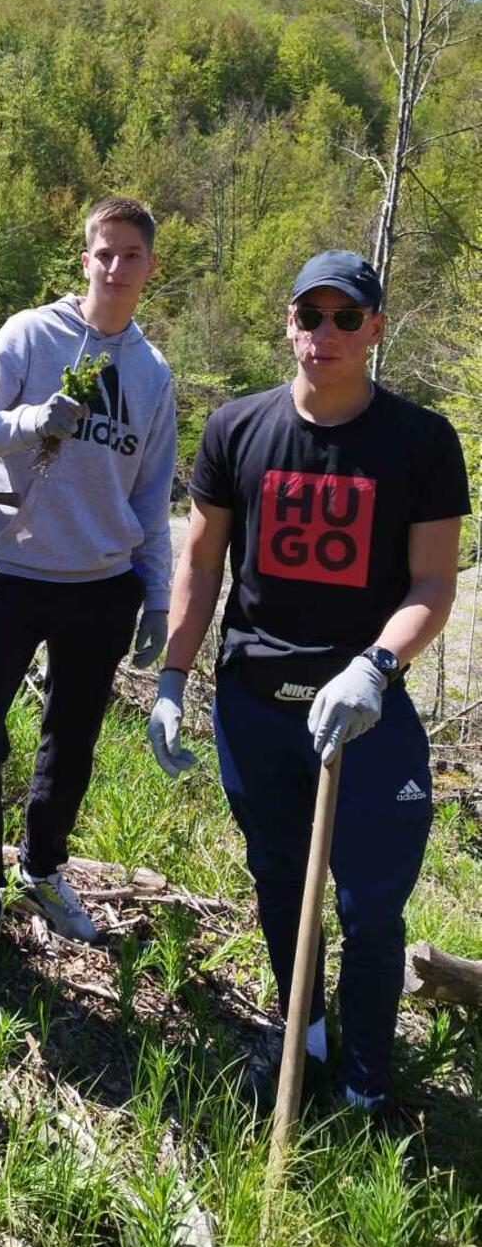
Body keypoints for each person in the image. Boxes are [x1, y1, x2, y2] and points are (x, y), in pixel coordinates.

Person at [148, 250, 470, 1114]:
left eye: (345, 318)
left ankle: (367, 1076)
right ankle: (304, 1033)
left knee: (370, 906)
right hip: (256, 706)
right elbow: (202, 558)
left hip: (367, 714)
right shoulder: (236, 429)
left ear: (372, 328)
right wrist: (173, 677)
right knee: (282, 882)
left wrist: (376, 667)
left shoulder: (421, 442)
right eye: (309, 315)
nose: (324, 333)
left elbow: (434, 585)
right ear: (288, 322)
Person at [0, 196, 177, 971]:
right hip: (12, 573)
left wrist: (159, 594)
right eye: (103, 253)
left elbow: (153, 495)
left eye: (131, 255)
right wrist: (34, 419)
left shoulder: (151, 372)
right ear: (85, 259)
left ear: (148, 266)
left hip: (103, 586)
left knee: (69, 742)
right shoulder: (29, 334)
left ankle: (41, 869)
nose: (115, 267)